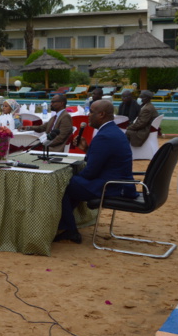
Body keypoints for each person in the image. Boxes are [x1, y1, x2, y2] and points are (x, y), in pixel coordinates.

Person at [56, 100, 135, 243]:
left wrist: (74, 177)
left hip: (112, 187)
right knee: (74, 184)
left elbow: (91, 172)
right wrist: (86, 149)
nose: (88, 115)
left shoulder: (104, 136)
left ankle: (69, 229)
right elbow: (105, 161)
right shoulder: (113, 131)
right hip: (119, 182)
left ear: (101, 114)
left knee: (66, 186)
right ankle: (66, 226)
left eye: (91, 111)